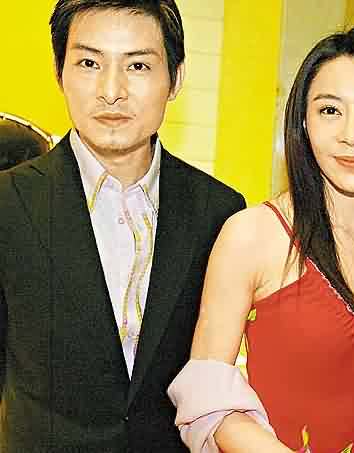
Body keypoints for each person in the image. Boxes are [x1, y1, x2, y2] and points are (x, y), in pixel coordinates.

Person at [168, 26, 354, 453]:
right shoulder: (252, 236)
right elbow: (206, 400)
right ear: (303, 121)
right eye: (330, 110)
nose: (352, 134)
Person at [0, 1, 245, 452]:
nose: (111, 91)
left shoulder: (219, 212)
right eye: (89, 63)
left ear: (176, 78)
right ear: (59, 72)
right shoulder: (9, 204)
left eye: (137, 65)